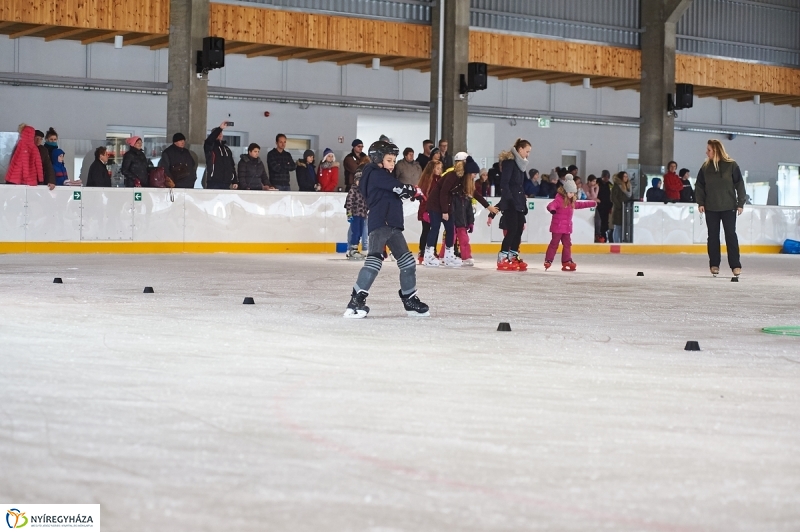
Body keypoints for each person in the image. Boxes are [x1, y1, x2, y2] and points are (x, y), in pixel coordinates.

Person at [343, 140, 429, 319]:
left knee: (408, 263)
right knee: (374, 262)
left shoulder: (384, 176)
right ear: (377, 159)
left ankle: (409, 299)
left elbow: (395, 190)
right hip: (380, 224)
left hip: (393, 225)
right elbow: (397, 187)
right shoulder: (373, 173)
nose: (392, 165)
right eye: (389, 160)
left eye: (394, 161)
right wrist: (413, 190)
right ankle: (356, 301)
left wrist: (408, 192)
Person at [695, 139, 746, 277]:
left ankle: (735, 265)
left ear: (716, 150)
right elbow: (699, 185)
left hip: (729, 207)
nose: (706, 152)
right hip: (711, 207)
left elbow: (739, 184)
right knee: (713, 236)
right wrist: (700, 202)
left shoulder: (731, 165)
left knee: (731, 236)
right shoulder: (705, 167)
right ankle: (714, 265)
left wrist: (740, 203)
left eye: (709, 150)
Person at [544, 176, 596, 271]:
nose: (572, 194)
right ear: (565, 191)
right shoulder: (559, 199)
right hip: (557, 227)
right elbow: (551, 205)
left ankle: (566, 261)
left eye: (573, 193)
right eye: (570, 192)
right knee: (554, 244)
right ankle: (548, 260)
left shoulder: (571, 201)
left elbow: (580, 204)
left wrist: (591, 203)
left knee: (567, 244)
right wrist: (552, 210)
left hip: (567, 228)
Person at [423, 159, 466, 268]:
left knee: (451, 228)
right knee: (435, 228)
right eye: (437, 168)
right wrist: (444, 211)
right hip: (436, 206)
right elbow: (442, 194)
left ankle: (449, 255)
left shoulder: (458, 179)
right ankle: (427, 255)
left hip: (446, 205)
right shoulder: (450, 176)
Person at [496, 139, 531, 271]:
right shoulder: (510, 163)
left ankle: (513, 256)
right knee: (512, 230)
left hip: (519, 202)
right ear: (520, 149)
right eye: (527, 151)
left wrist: (523, 202)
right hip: (511, 203)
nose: (528, 154)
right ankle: (502, 257)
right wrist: (509, 200)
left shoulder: (521, 165)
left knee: (519, 230)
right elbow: (504, 184)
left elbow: (520, 187)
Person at [451, 156, 482, 266]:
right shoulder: (456, 190)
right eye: (474, 173)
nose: (475, 176)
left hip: (462, 223)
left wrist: (471, 222)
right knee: (450, 239)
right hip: (453, 221)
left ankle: (466, 256)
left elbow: (469, 209)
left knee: (464, 240)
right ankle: (444, 256)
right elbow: (452, 206)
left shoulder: (468, 192)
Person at [416, 159, 443, 263]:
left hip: (436, 209)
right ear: (432, 169)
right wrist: (425, 210)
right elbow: (424, 197)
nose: (439, 170)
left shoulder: (440, 180)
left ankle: (432, 250)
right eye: (437, 168)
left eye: (440, 168)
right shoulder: (427, 180)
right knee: (426, 230)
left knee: (435, 230)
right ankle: (423, 251)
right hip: (426, 209)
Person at [203, 121, 237, 189]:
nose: (220, 134)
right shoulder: (210, 147)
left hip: (226, 182)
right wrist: (220, 128)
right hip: (214, 181)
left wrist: (234, 180)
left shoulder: (226, 149)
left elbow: (232, 165)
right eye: (218, 133)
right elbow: (209, 141)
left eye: (221, 133)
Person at [344, 164, 368, 260]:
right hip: (355, 215)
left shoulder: (364, 191)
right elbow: (349, 202)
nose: (359, 182)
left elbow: (367, 203)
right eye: (358, 180)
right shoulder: (353, 190)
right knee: (356, 232)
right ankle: (352, 249)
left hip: (363, 215)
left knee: (361, 232)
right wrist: (349, 214)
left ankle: (354, 249)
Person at [611, 171, 632, 243]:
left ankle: (622, 242)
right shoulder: (617, 186)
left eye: (627, 176)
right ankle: (616, 242)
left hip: (626, 210)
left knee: (624, 228)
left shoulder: (628, 187)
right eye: (624, 176)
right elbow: (613, 197)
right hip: (619, 211)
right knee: (618, 227)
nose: (626, 178)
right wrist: (619, 206)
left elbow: (630, 197)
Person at [596, 170, 613, 242]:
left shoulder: (609, 184)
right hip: (598, 206)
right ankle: (598, 236)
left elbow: (611, 196)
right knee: (598, 222)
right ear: (602, 176)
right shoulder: (597, 182)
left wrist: (610, 207)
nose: (607, 179)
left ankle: (604, 237)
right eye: (605, 177)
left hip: (606, 207)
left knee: (605, 222)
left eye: (608, 177)